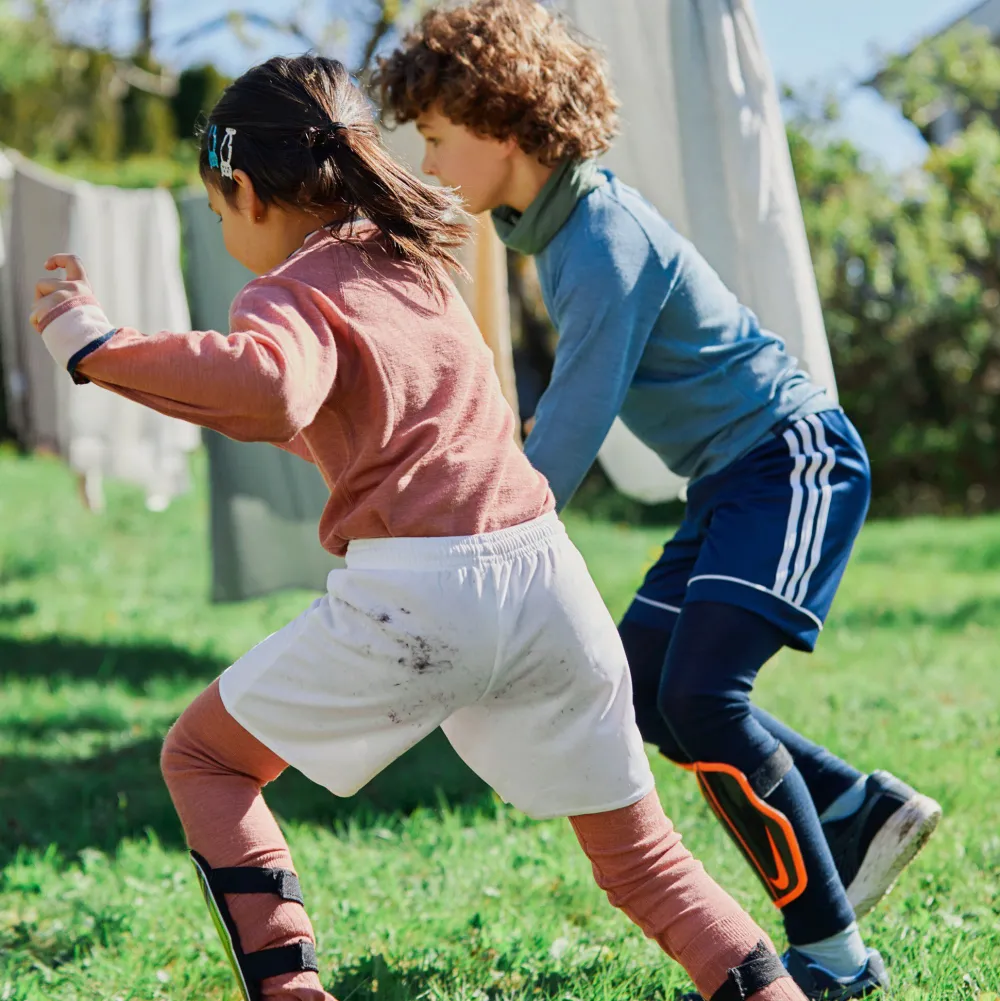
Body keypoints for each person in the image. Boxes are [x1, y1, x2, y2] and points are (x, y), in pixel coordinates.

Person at [31, 55, 807, 1001]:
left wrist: (100, 351)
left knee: (204, 757)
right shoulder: (413, 261)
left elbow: (270, 386)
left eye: (217, 204)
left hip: (423, 595)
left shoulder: (289, 290)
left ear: (244, 190)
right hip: (548, 581)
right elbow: (363, 432)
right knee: (645, 862)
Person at [376, 3, 942, 998]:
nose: (426, 160)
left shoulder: (598, 240)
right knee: (644, 686)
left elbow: (568, 430)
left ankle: (834, 957)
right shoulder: (554, 232)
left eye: (434, 136)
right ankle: (852, 809)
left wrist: (472, 552)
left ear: (501, 121)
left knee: (701, 698)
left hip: (792, 461)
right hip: (733, 479)